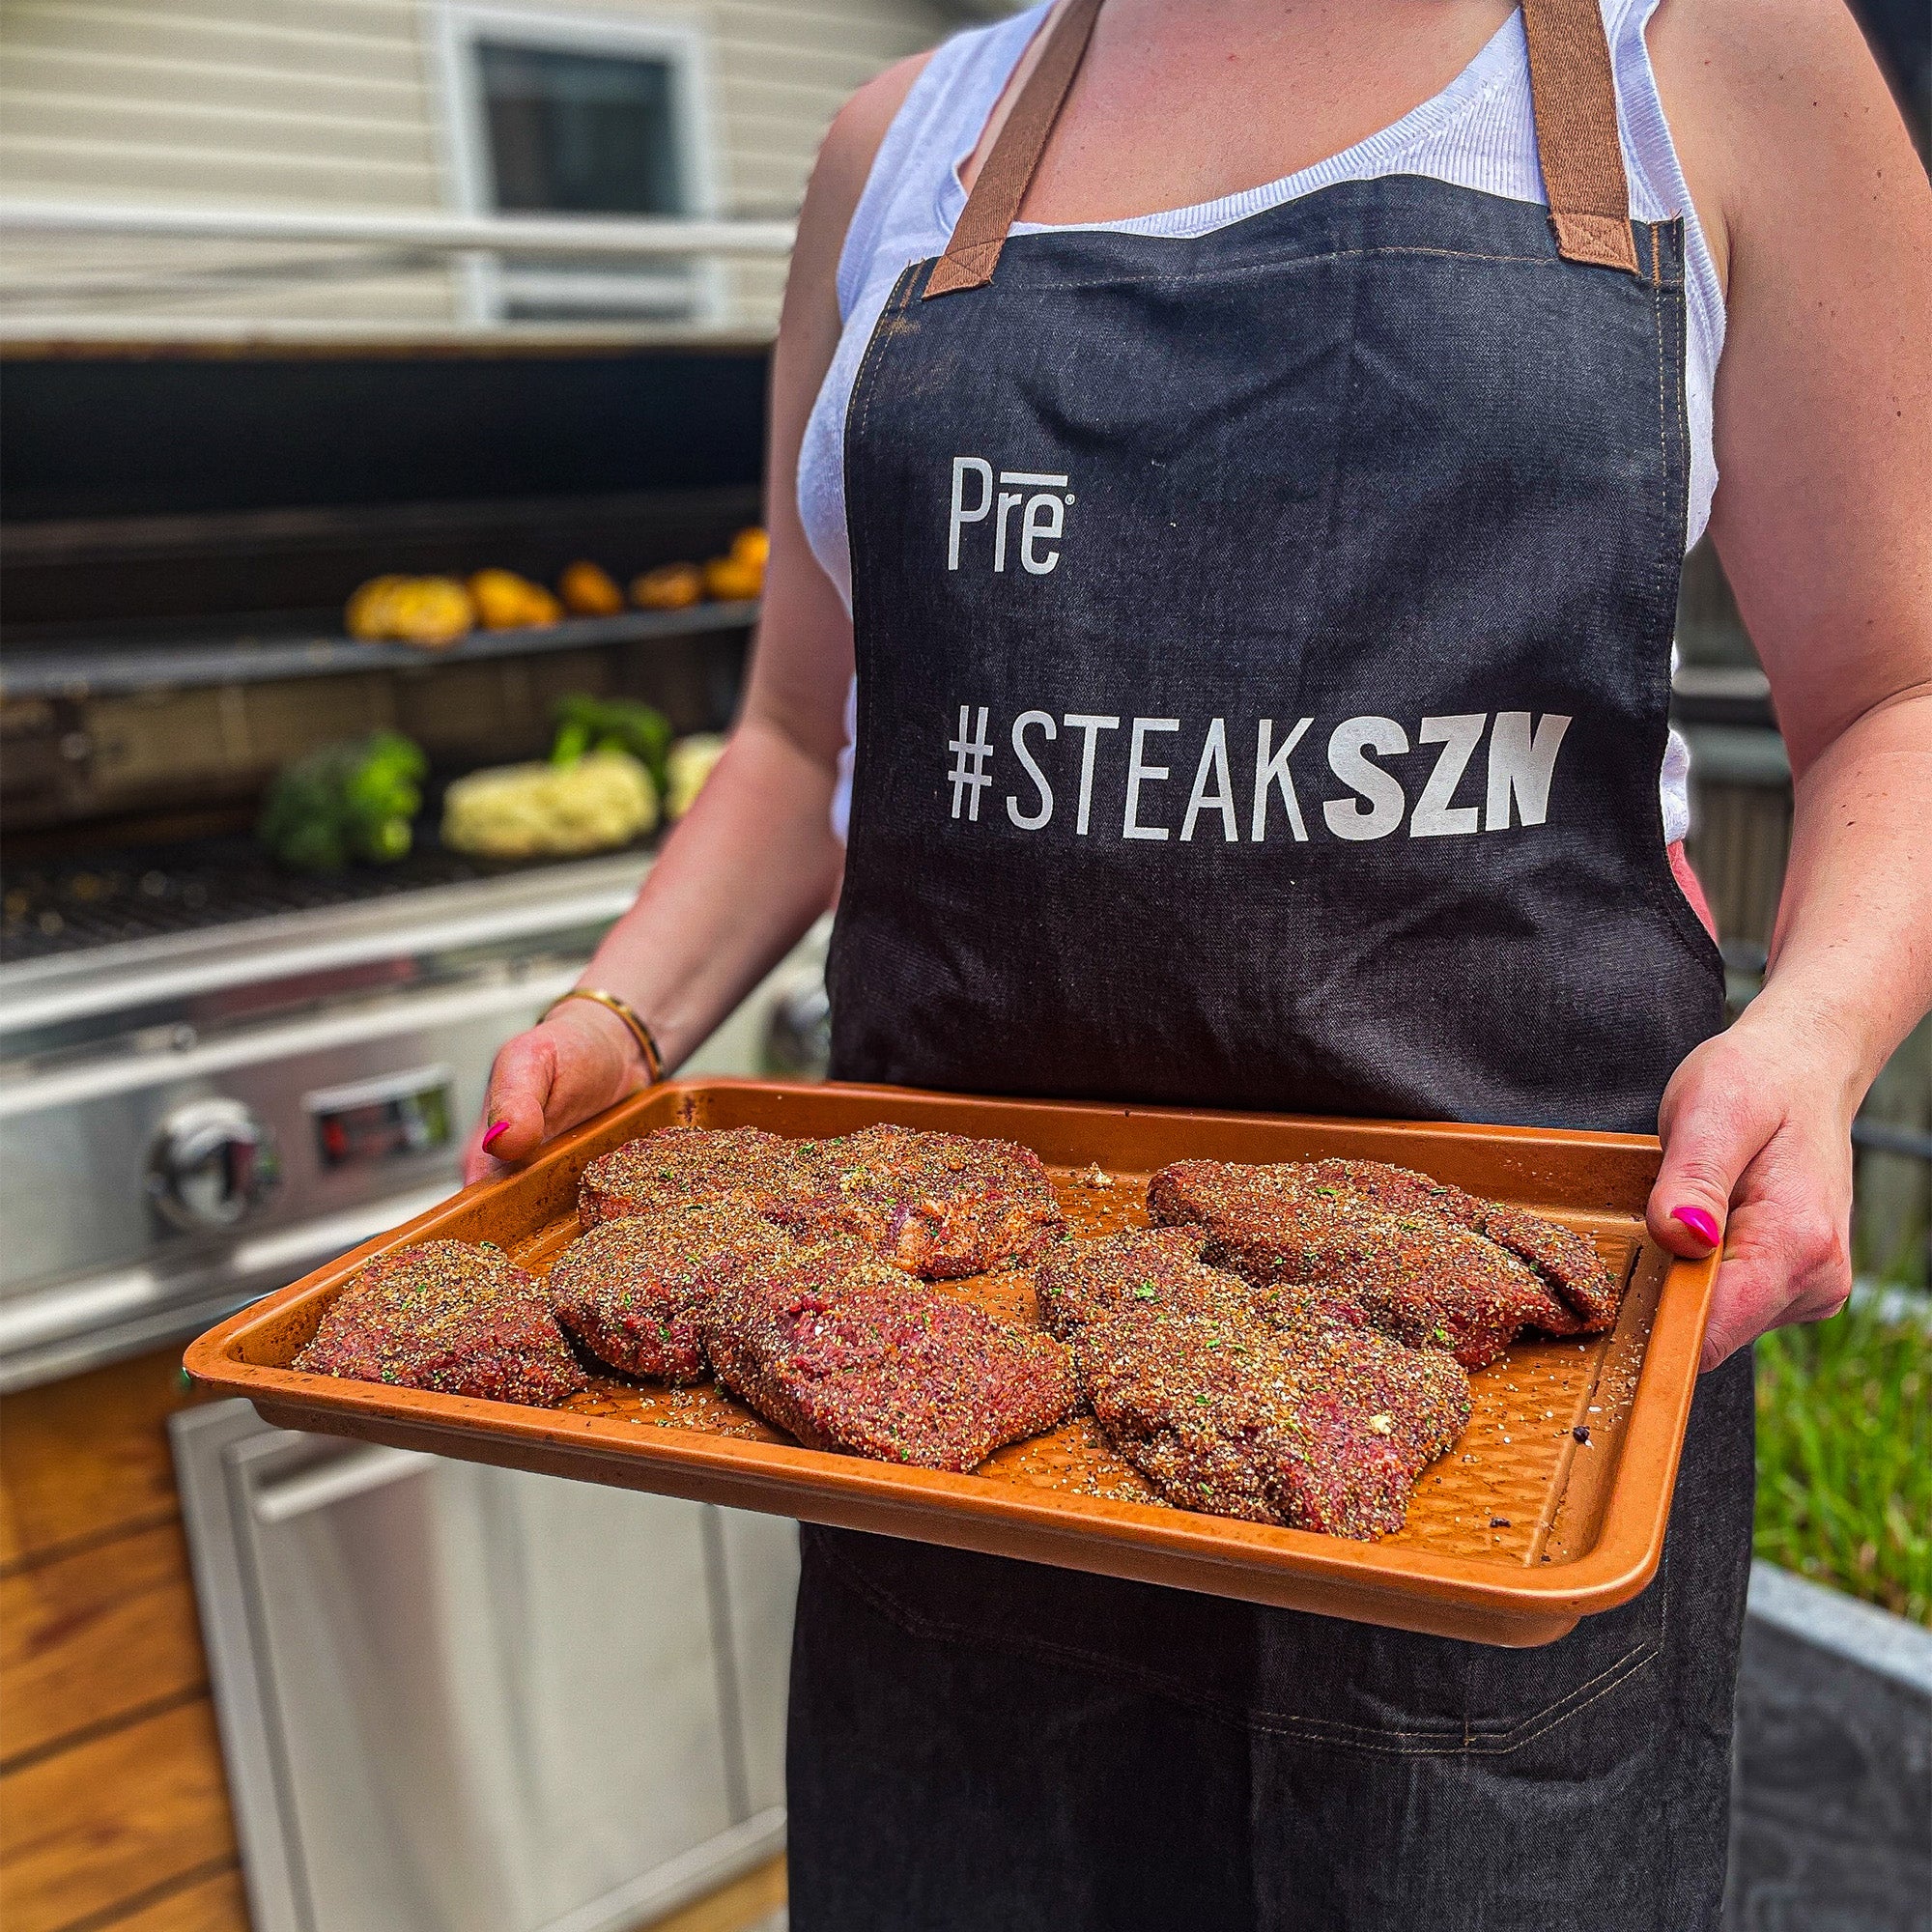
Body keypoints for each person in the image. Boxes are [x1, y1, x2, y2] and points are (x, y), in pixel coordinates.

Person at [467, 0, 1932, 1923]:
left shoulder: (1709, 62)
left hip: (1509, 1396)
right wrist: (620, 1012)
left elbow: (1893, 695)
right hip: (958, 1404)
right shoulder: (900, 147)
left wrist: (1812, 1038)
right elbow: (801, 740)